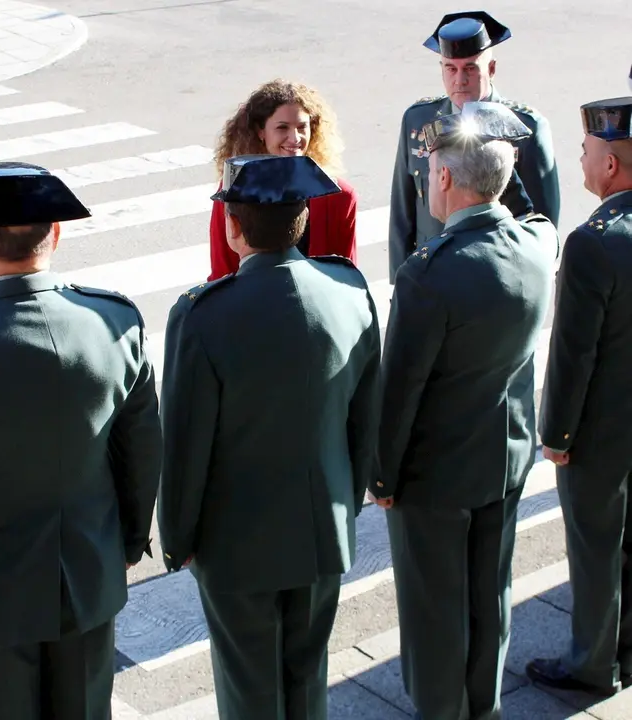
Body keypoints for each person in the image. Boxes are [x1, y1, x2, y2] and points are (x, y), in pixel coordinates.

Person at [0, 162, 162, 720]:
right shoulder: (115, 323)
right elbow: (140, 453)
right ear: (55, 235)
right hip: (89, 575)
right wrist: (126, 545)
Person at [158, 154, 382, 719]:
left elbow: (185, 443)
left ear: (232, 225)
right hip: (321, 528)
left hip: (237, 542)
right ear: (303, 219)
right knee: (306, 680)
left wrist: (177, 535)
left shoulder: (202, 315)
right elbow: (363, 422)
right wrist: (345, 504)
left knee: (248, 687)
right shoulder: (349, 291)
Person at [369, 102, 557, 719]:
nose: (423, 181)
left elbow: (399, 393)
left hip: (437, 476)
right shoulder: (537, 242)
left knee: (434, 614)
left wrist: (382, 476)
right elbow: (524, 200)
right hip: (504, 461)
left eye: (428, 171)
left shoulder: (430, 275)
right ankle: (484, 707)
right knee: (489, 598)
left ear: (445, 180)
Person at [526, 96, 632, 697]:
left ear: (610, 167)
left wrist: (557, 435)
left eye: (589, 151)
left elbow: (574, 355)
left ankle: (594, 664)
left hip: (602, 433)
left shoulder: (594, 242)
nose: (583, 160)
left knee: (597, 551)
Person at [387, 10, 561, 281]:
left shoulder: (526, 128)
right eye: (450, 68)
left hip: (494, 283)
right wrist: (398, 285)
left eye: (470, 68)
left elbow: (543, 226)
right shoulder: (417, 119)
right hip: (429, 279)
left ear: (491, 69)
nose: (459, 79)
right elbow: (402, 215)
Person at [207, 79, 358, 280]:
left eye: (302, 127)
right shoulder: (236, 189)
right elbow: (222, 272)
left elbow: (346, 276)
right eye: (282, 128)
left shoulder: (340, 196)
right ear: (261, 131)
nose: (295, 138)